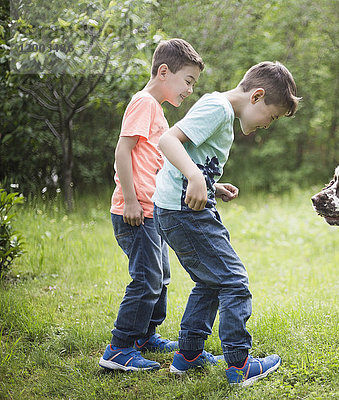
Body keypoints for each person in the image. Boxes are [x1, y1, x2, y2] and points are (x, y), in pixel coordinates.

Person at [152, 61, 300, 386]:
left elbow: (192, 155)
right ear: (257, 96)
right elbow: (168, 140)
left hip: (175, 209)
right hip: (185, 211)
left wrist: (209, 183)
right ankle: (239, 365)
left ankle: (188, 355)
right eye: (271, 116)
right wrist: (193, 177)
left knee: (210, 281)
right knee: (234, 280)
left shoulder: (222, 113)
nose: (267, 125)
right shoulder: (217, 108)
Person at [100, 39, 204, 371]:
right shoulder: (144, 102)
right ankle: (119, 347)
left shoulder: (155, 109)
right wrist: (130, 200)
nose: (190, 89)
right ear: (164, 72)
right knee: (146, 278)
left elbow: (159, 163)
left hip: (151, 210)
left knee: (160, 276)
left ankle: (145, 336)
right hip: (135, 211)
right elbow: (122, 151)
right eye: (187, 80)